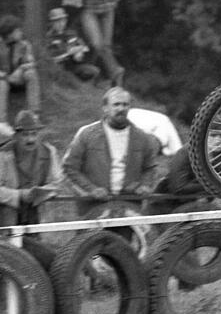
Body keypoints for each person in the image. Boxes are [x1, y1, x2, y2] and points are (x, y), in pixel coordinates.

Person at [61, 86, 159, 218]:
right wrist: (91, 190)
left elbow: (150, 168)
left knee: (123, 239)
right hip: (94, 206)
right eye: (116, 104)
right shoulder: (86, 134)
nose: (121, 109)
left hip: (129, 205)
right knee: (92, 239)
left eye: (125, 104)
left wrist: (145, 185)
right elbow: (69, 168)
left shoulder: (142, 137)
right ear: (105, 108)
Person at [0, 110, 63, 227]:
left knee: (35, 244)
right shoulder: (2, 154)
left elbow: (57, 183)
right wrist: (20, 195)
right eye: (25, 135)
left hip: (36, 216)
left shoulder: (49, 152)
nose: (30, 139)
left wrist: (40, 193)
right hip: (6, 217)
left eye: (34, 134)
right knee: (8, 244)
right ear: (16, 136)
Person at [0, 15, 42, 136]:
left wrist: (22, 68)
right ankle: (1, 123)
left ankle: (33, 115)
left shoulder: (24, 45)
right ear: (9, 33)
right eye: (17, 30)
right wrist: (5, 76)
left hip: (16, 78)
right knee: (2, 84)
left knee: (31, 74)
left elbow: (31, 63)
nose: (20, 32)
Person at [46, 7, 100, 82]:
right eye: (57, 21)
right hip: (59, 67)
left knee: (94, 70)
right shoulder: (49, 37)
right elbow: (51, 56)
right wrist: (68, 52)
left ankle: (78, 84)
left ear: (66, 21)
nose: (60, 24)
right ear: (52, 23)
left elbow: (82, 46)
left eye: (62, 21)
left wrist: (79, 53)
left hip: (73, 66)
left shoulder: (71, 33)